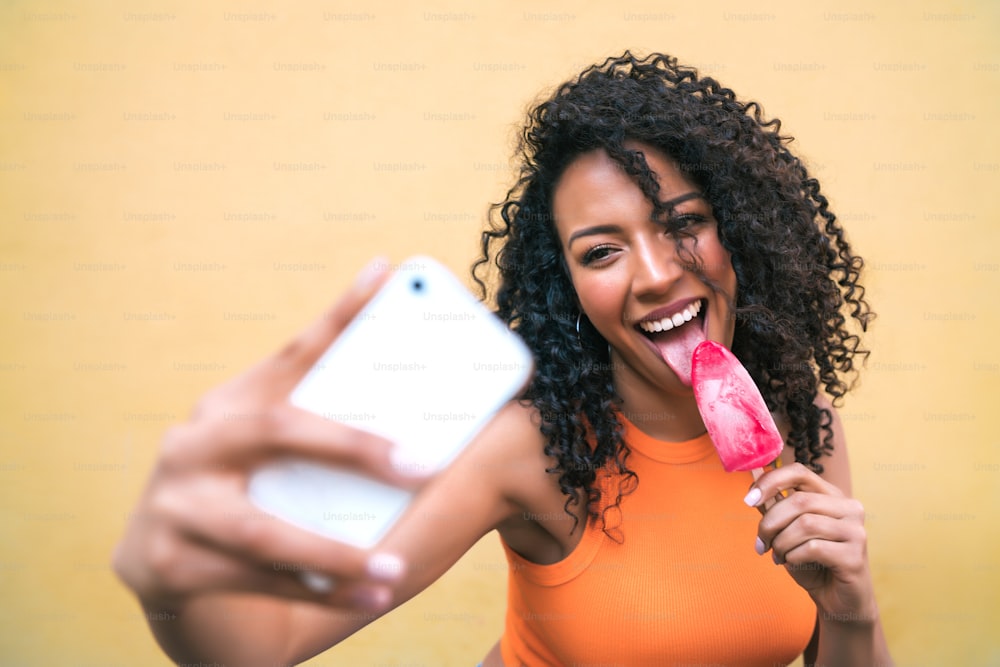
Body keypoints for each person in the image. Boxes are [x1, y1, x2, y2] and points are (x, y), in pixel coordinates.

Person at [113, 52, 893, 666]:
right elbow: (264, 640)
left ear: (744, 234)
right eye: (601, 251)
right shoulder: (533, 449)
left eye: (682, 222)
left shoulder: (805, 423)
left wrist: (852, 609)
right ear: (571, 287)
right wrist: (173, 583)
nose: (656, 274)